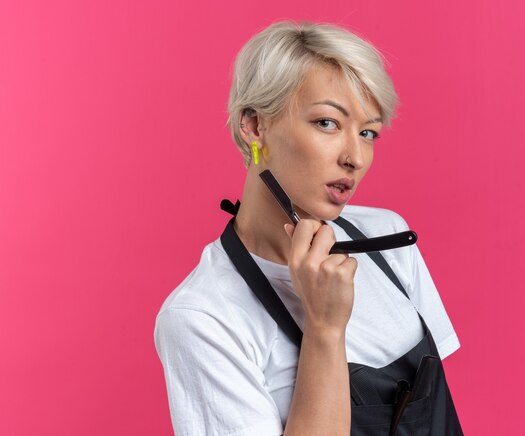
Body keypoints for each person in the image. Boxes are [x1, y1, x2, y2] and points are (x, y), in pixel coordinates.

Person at [154, 21, 462, 435]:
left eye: (368, 132)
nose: (355, 157)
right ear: (255, 125)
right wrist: (323, 328)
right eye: (327, 123)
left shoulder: (388, 238)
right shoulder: (204, 317)